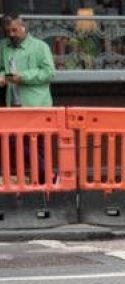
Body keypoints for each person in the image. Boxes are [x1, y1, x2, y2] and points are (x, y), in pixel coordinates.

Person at [0, 14, 56, 184]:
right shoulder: (3, 46)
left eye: (15, 29)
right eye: (8, 30)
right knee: (11, 141)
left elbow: (49, 73)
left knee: (39, 147)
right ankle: (49, 176)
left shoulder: (40, 47)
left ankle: (45, 183)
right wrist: (2, 76)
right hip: (14, 105)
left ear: (24, 28)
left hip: (37, 105)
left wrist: (23, 77)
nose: (11, 34)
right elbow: (2, 68)